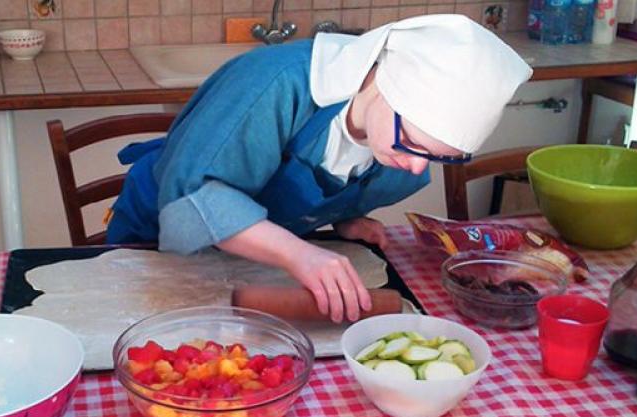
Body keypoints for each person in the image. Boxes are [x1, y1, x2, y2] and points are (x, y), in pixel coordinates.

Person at [106, 14, 532, 323]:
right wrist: (299, 253)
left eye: (440, 157)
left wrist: (341, 215)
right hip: (157, 235)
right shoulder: (273, 85)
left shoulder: (396, 140)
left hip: (258, 266)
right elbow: (193, 195)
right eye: (413, 143)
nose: (417, 164)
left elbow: (330, 173)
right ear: (384, 85)